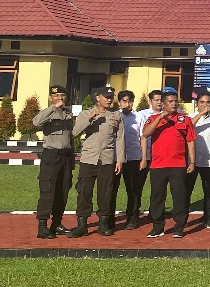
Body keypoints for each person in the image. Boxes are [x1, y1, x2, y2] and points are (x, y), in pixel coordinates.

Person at [70, 85, 125, 238]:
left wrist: (120, 160)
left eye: (111, 97)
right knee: (84, 191)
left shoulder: (116, 115)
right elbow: (75, 132)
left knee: (106, 192)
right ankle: (82, 224)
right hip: (89, 159)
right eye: (106, 97)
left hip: (107, 159)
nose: (110, 99)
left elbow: (120, 139)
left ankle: (103, 223)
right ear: (97, 97)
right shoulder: (85, 113)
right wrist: (90, 118)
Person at [141, 88, 196, 238]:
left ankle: (179, 226)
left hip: (178, 165)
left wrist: (192, 161)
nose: (174, 104)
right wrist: (160, 118)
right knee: (157, 197)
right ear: (163, 104)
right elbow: (145, 133)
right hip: (158, 165)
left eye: (175, 101)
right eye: (170, 101)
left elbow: (190, 141)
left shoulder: (185, 119)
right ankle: (158, 227)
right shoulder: (153, 118)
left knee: (179, 196)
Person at [33, 85, 75, 238]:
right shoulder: (47, 112)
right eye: (56, 96)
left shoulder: (68, 113)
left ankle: (56, 223)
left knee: (63, 191)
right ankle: (42, 226)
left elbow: (70, 137)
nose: (60, 98)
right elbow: (36, 122)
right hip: (51, 156)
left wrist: (72, 159)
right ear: (51, 98)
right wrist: (53, 107)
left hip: (66, 156)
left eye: (62, 96)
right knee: (48, 191)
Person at [188, 92, 210, 229]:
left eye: (208, 102)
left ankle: (209, 218)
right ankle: (183, 218)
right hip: (192, 160)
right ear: (197, 103)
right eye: (202, 102)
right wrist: (200, 114)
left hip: (209, 161)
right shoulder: (189, 117)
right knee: (187, 190)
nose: (205, 105)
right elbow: (188, 128)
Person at [115, 90, 149, 230]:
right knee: (111, 189)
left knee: (134, 190)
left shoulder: (139, 117)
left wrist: (144, 158)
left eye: (129, 101)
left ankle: (133, 217)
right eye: (124, 101)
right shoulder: (115, 116)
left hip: (134, 157)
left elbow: (143, 137)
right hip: (116, 158)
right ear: (119, 102)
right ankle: (108, 219)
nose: (127, 104)